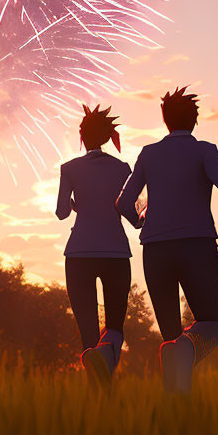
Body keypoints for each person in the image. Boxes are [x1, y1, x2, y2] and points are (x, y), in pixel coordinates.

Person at [116, 86, 218, 393]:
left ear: (165, 121)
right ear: (194, 121)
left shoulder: (149, 154)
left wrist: (140, 221)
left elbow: (123, 203)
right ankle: (187, 359)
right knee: (212, 327)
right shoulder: (205, 150)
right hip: (196, 247)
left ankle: (176, 414)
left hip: (154, 250)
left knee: (171, 343)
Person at [55, 104, 139, 385]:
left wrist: (79, 205)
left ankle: (96, 392)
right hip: (116, 252)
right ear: (106, 137)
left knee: (88, 330)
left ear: (83, 136)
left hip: (79, 253)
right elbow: (130, 212)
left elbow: (61, 212)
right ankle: (108, 384)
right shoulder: (122, 169)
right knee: (114, 325)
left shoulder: (69, 169)